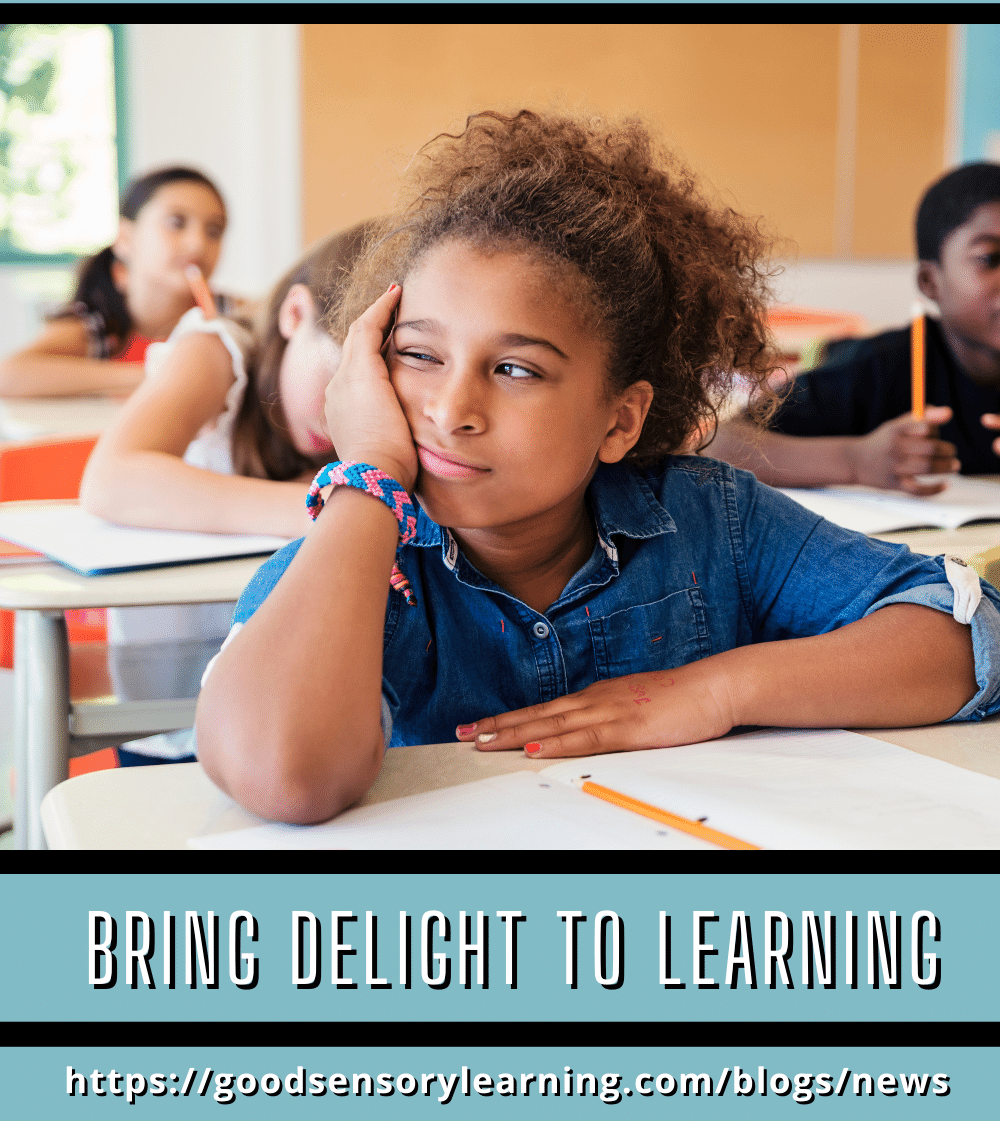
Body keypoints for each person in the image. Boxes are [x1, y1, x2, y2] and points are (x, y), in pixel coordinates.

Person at [195, 113, 999, 826]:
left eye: (516, 370)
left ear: (621, 420)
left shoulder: (710, 519)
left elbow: (968, 634)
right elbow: (283, 773)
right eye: (417, 356)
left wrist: (715, 690)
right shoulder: (365, 558)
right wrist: (368, 477)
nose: (451, 408)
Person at [80, 222, 369, 764]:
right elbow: (110, 479)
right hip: (171, 713)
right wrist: (330, 508)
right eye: (333, 383)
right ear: (295, 315)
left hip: (288, 718)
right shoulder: (218, 350)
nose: (341, 418)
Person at [712, 162, 1000, 492]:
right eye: (990, 258)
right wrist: (855, 460)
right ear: (930, 282)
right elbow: (720, 445)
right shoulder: (879, 366)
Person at [0, 166, 232, 399]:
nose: (198, 244)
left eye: (214, 230)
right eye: (176, 223)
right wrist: (158, 374)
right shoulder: (98, 324)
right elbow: (8, 375)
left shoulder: (231, 317)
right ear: (126, 238)